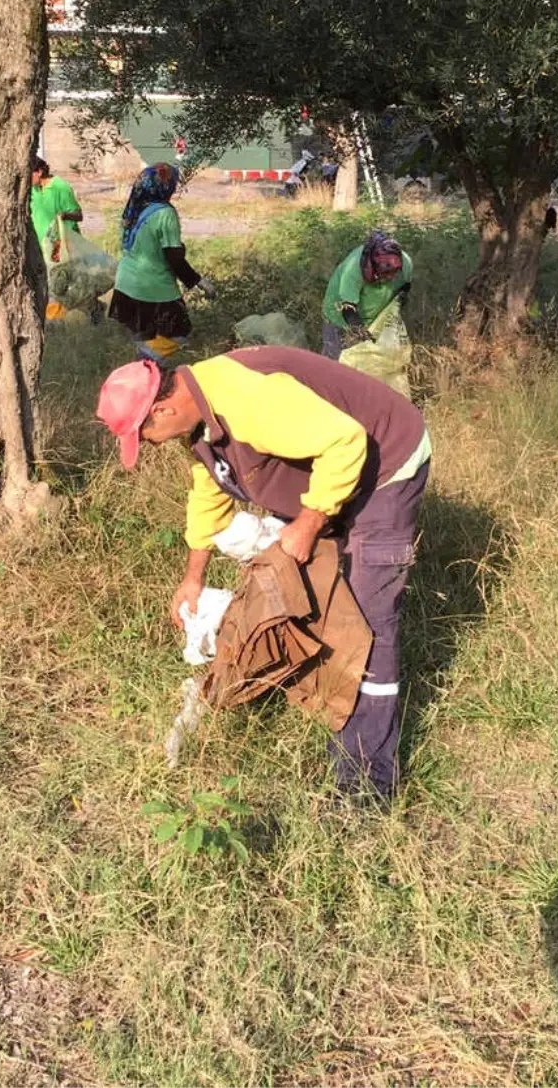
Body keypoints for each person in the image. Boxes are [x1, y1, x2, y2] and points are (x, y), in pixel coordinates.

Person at [96, 347, 432, 801]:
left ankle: (366, 785)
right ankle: (334, 708)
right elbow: (209, 494)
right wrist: (193, 577)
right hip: (336, 477)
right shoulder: (198, 420)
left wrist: (309, 522)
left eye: (145, 433)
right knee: (322, 597)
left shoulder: (247, 400)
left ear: (163, 408)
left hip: (385, 466)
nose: (150, 445)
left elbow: (347, 441)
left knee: (368, 623)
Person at [109, 162, 211, 362]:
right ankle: (145, 366)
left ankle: (145, 380)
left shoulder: (134, 208)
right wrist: (199, 282)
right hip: (154, 289)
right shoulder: (165, 213)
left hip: (126, 285)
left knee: (145, 339)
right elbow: (174, 258)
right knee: (179, 334)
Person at [322, 230, 413, 359]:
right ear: (372, 266)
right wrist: (360, 332)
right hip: (339, 317)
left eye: (394, 274)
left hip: (375, 319)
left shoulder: (406, 265)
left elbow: (405, 288)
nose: (390, 278)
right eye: (385, 274)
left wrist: (400, 300)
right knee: (334, 361)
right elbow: (347, 309)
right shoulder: (353, 270)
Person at [29, 156, 82, 252]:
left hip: (62, 247)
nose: (26, 177)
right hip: (40, 248)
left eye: (29, 173)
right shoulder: (31, 189)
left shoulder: (60, 187)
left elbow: (79, 215)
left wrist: (65, 215)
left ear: (39, 172)